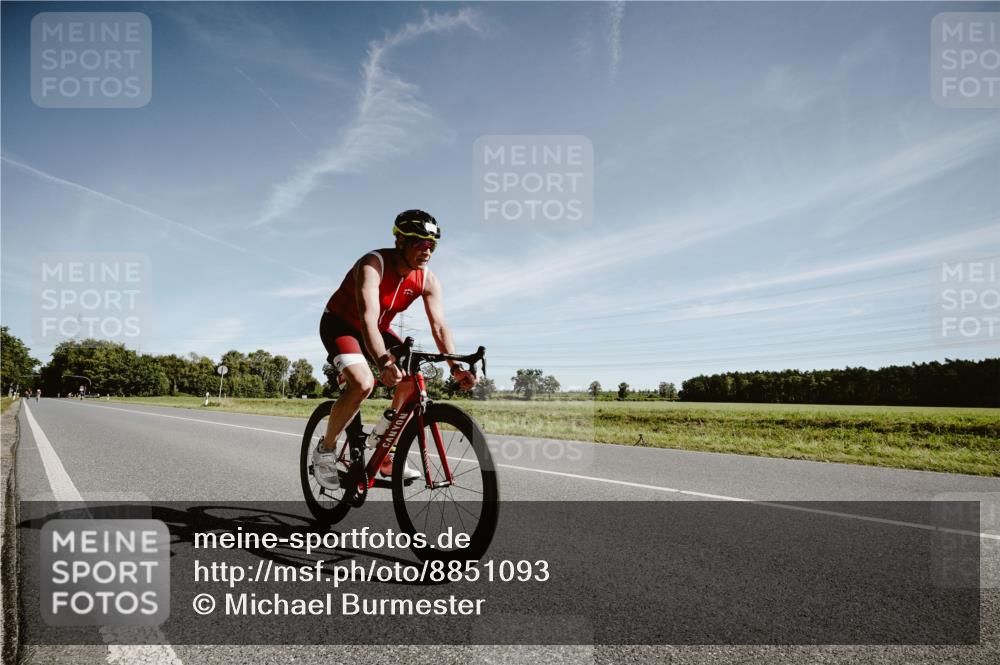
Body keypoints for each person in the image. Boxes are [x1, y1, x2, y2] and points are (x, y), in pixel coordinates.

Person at [314, 210, 477, 490]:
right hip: (341, 325)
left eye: (432, 245)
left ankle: (385, 450)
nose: (427, 251)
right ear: (400, 241)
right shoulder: (372, 264)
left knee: (411, 376)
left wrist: (454, 367)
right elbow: (367, 318)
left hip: (377, 328)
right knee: (363, 384)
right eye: (420, 243)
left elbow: (439, 326)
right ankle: (325, 450)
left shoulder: (428, 280)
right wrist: (382, 362)